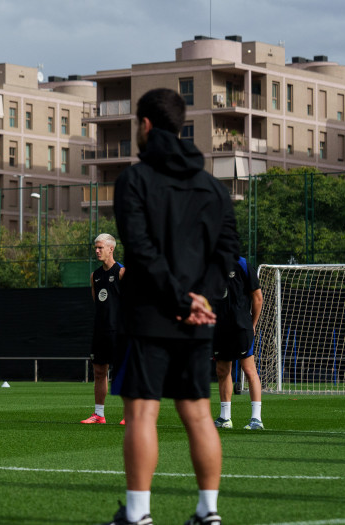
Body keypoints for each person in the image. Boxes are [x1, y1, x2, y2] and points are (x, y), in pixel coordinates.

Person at [106, 88, 239, 525]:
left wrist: (181, 300)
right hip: (199, 316)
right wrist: (201, 298)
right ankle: (208, 512)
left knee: (142, 409)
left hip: (149, 313)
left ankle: (139, 515)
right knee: (199, 412)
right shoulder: (215, 189)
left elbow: (140, 250)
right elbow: (228, 253)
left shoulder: (133, 180)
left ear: (145, 125)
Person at [212, 255, 264, 430]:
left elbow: (257, 297)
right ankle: (225, 418)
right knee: (222, 371)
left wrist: (253, 324)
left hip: (241, 327)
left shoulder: (242, 264)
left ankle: (256, 419)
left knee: (249, 369)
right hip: (219, 328)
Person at [81, 233, 125, 425]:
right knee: (99, 371)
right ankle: (99, 414)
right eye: (96, 248)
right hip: (100, 330)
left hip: (120, 332)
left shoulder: (122, 273)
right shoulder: (95, 276)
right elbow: (97, 302)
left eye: (100, 248)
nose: (97, 251)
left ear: (111, 249)